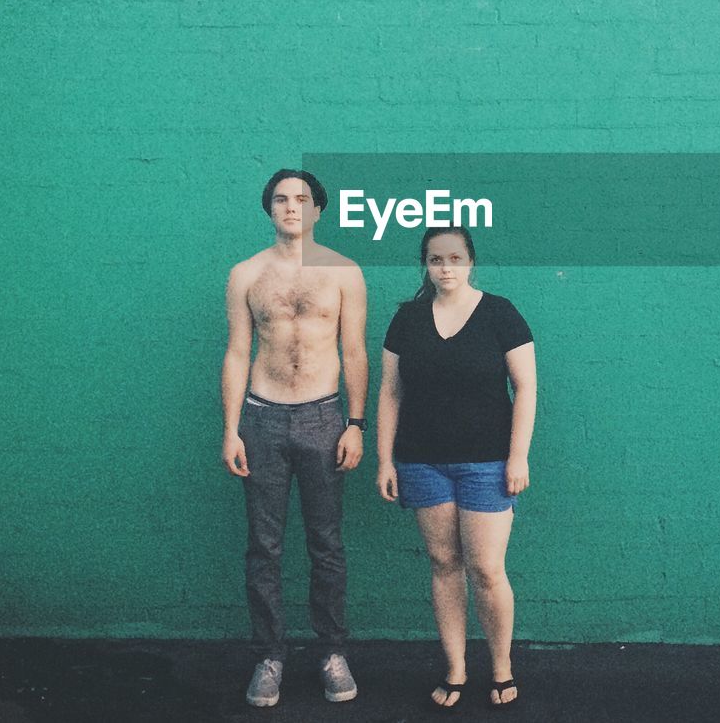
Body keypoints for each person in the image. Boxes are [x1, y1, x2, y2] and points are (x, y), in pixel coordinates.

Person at [220, 168, 368, 709]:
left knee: (326, 545)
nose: (291, 207)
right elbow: (237, 351)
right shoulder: (245, 275)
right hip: (260, 419)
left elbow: (354, 351)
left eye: (302, 199)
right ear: (268, 209)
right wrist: (230, 428)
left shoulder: (344, 273)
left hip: (324, 417)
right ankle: (270, 657)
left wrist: (356, 423)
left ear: (318, 210)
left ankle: (332, 652)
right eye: (281, 199)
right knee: (264, 547)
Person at [376, 226, 538, 712]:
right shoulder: (407, 318)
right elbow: (390, 392)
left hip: (487, 463)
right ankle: (456, 668)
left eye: (455, 258)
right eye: (435, 259)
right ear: (424, 264)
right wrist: (385, 459)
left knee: (486, 570)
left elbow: (525, 388)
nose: (445, 267)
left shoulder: (500, 314)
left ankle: (502, 667)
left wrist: (518, 456)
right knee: (444, 565)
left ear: (471, 261)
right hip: (422, 461)